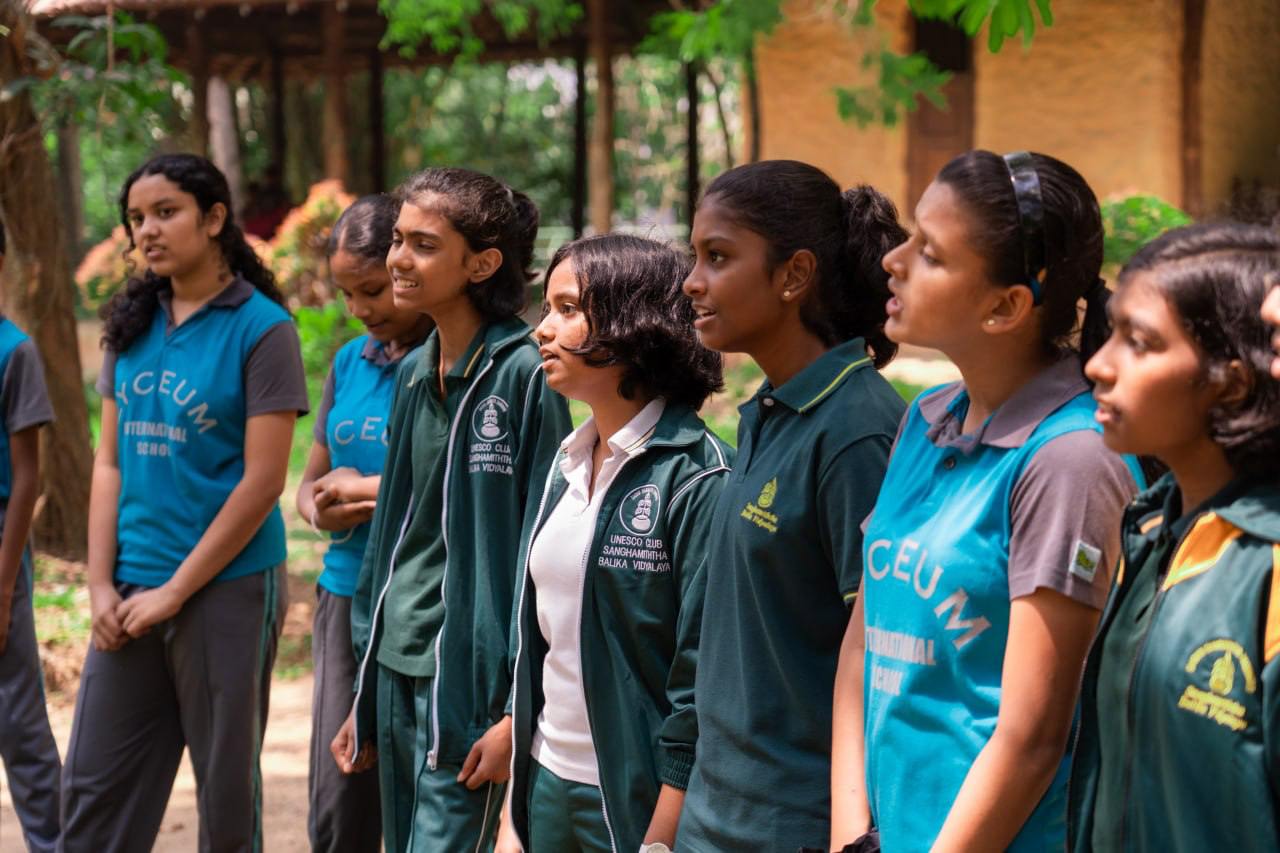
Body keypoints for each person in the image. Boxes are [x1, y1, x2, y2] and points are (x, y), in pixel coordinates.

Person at [832, 150, 1142, 852]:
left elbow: (1032, 737)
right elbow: (862, 646)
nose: (894, 260)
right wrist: (852, 835)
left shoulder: (1070, 458)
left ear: (1006, 306)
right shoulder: (925, 417)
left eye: (932, 253)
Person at [60, 153, 308, 852]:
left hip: (225, 588)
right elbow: (109, 462)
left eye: (165, 212)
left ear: (215, 218)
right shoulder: (131, 324)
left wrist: (175, 591)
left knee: (226, 793)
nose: (147, 230)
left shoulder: (264, 330)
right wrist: (100, 581)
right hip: (131, 585)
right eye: (136, 218)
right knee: (92, 787)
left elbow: (263, 483)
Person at [333, 167, 572, 852]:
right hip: (396, 666)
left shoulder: (528, 373)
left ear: (482, 263)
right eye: (398, 241)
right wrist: (364, 686)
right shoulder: (415, 370)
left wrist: (514, 710)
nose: (399, 259)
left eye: (424, 244)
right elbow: (389, 539)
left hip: (471, 681)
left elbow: (543, 546)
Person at [675, 160, 908, 851]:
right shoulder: (771, 411)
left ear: (794, 275)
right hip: (712, 812)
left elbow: (878, 659)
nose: (692, 282)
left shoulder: (858, 429)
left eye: (717, 257)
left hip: (791, 824)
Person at [495, 234, 732, 853]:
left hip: (637, 803)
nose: (541, 330)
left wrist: (661, 835)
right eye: (547, 308)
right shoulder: (565, 462)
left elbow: (699, 678)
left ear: (634, 324)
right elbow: (538, 643)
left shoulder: (700, 476)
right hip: (546, 783)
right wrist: (512, 817)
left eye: (568, 309)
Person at [1069, 222, 1280, 851]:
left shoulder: (1266, 565)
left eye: (1140, 343)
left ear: (1231, 382)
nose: (1097, 365)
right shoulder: (1154, 526)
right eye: (1110, 333)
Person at [296, 195, 433, 853]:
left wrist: (369, 489)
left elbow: (465, 482)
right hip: (344, 589)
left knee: (414, 787)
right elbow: (310, 479)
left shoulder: (449, 361)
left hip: (421, 598)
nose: (360, 309)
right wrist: (317, 504)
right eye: (347, 293)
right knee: (339, 793)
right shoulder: (351, 361)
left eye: (373, 289)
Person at [0, 217, 61, 853]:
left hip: (1, 546)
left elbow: (26, 480)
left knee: (17, 720)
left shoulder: (14, 351)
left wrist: (4, 590)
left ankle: (53, 842)